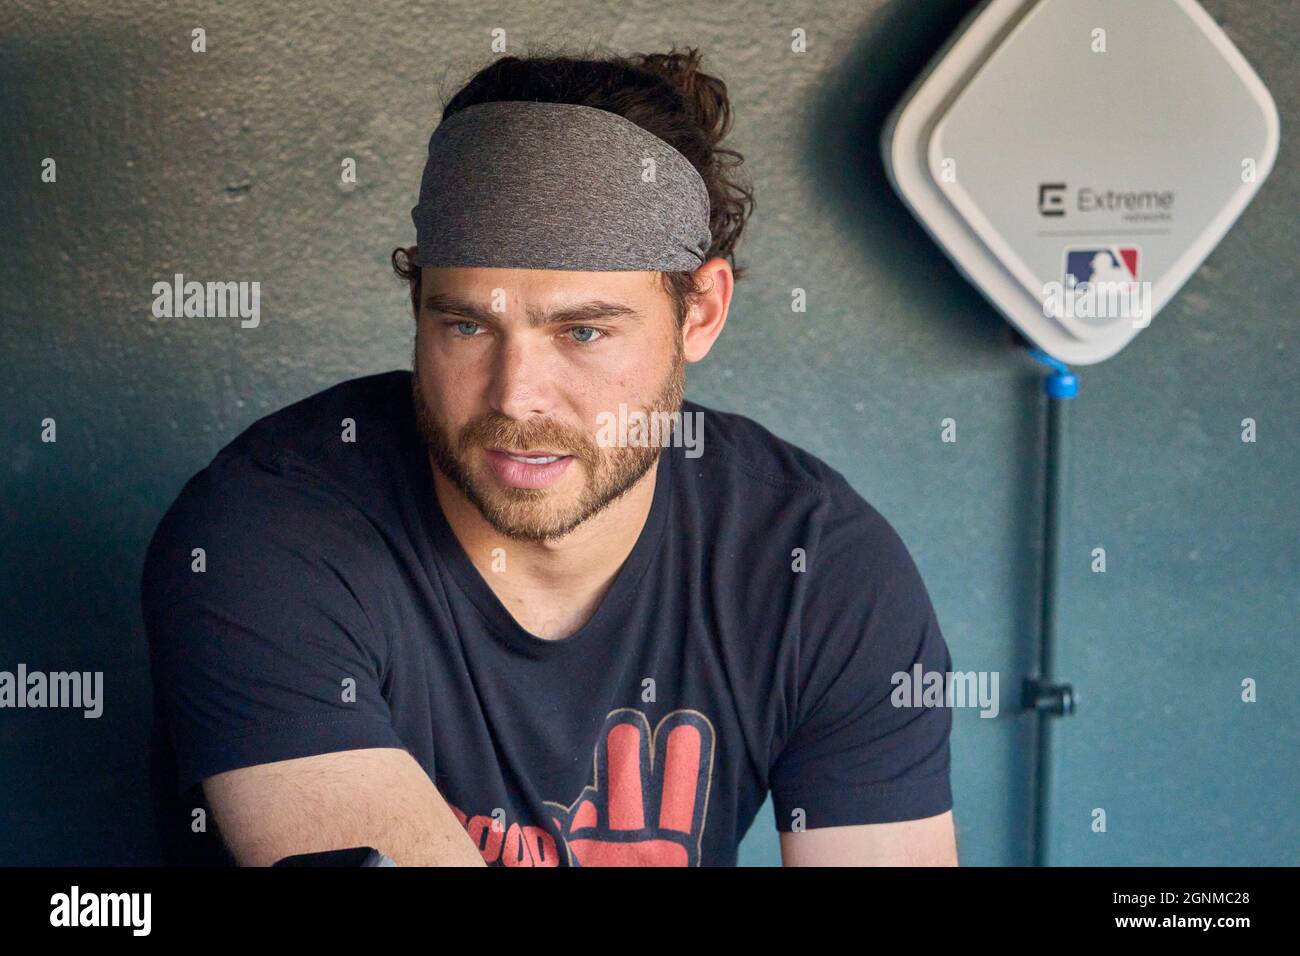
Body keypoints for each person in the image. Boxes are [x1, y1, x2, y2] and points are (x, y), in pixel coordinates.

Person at [142, 47, 957, 867]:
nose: (515, 399)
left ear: (700, 312)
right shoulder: (267, 535)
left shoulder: (816, 568)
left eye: (583, 332)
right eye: (467, 325)